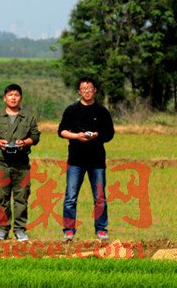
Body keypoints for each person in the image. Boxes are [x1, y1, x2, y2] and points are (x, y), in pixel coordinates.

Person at [58, 77, 114, 241]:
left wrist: (96, 135)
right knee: (70, 197)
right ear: (79, 91)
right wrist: (77, 136)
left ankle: (101, 229)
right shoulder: (72, 110)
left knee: (100, 197)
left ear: (95, 90)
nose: (87, 91)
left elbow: (109, 134)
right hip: (76, 160)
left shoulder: (102, 111)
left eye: (89, 88)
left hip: (97, 161)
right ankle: (69, 230)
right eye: (84, 89)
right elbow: (61, 131)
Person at [0, 84, 40, 242]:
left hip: (22, 164)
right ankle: (2, 229)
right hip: (2, 164)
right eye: (10, 95)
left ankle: (20, 230)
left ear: (20, 98)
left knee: (22, 198)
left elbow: (35, 137)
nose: (13, 98)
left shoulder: (28, 117)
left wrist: (25, 142)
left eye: (16, 95)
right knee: (2, 197)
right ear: (5, 98)